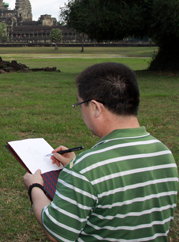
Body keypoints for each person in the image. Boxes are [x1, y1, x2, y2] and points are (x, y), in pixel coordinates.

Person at [23, 62, 178, 242]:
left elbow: (57, 233)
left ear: (95, 107)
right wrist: (76, 165)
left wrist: (35, 187)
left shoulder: (86, 168)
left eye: (80, 104)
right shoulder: (164, 153)